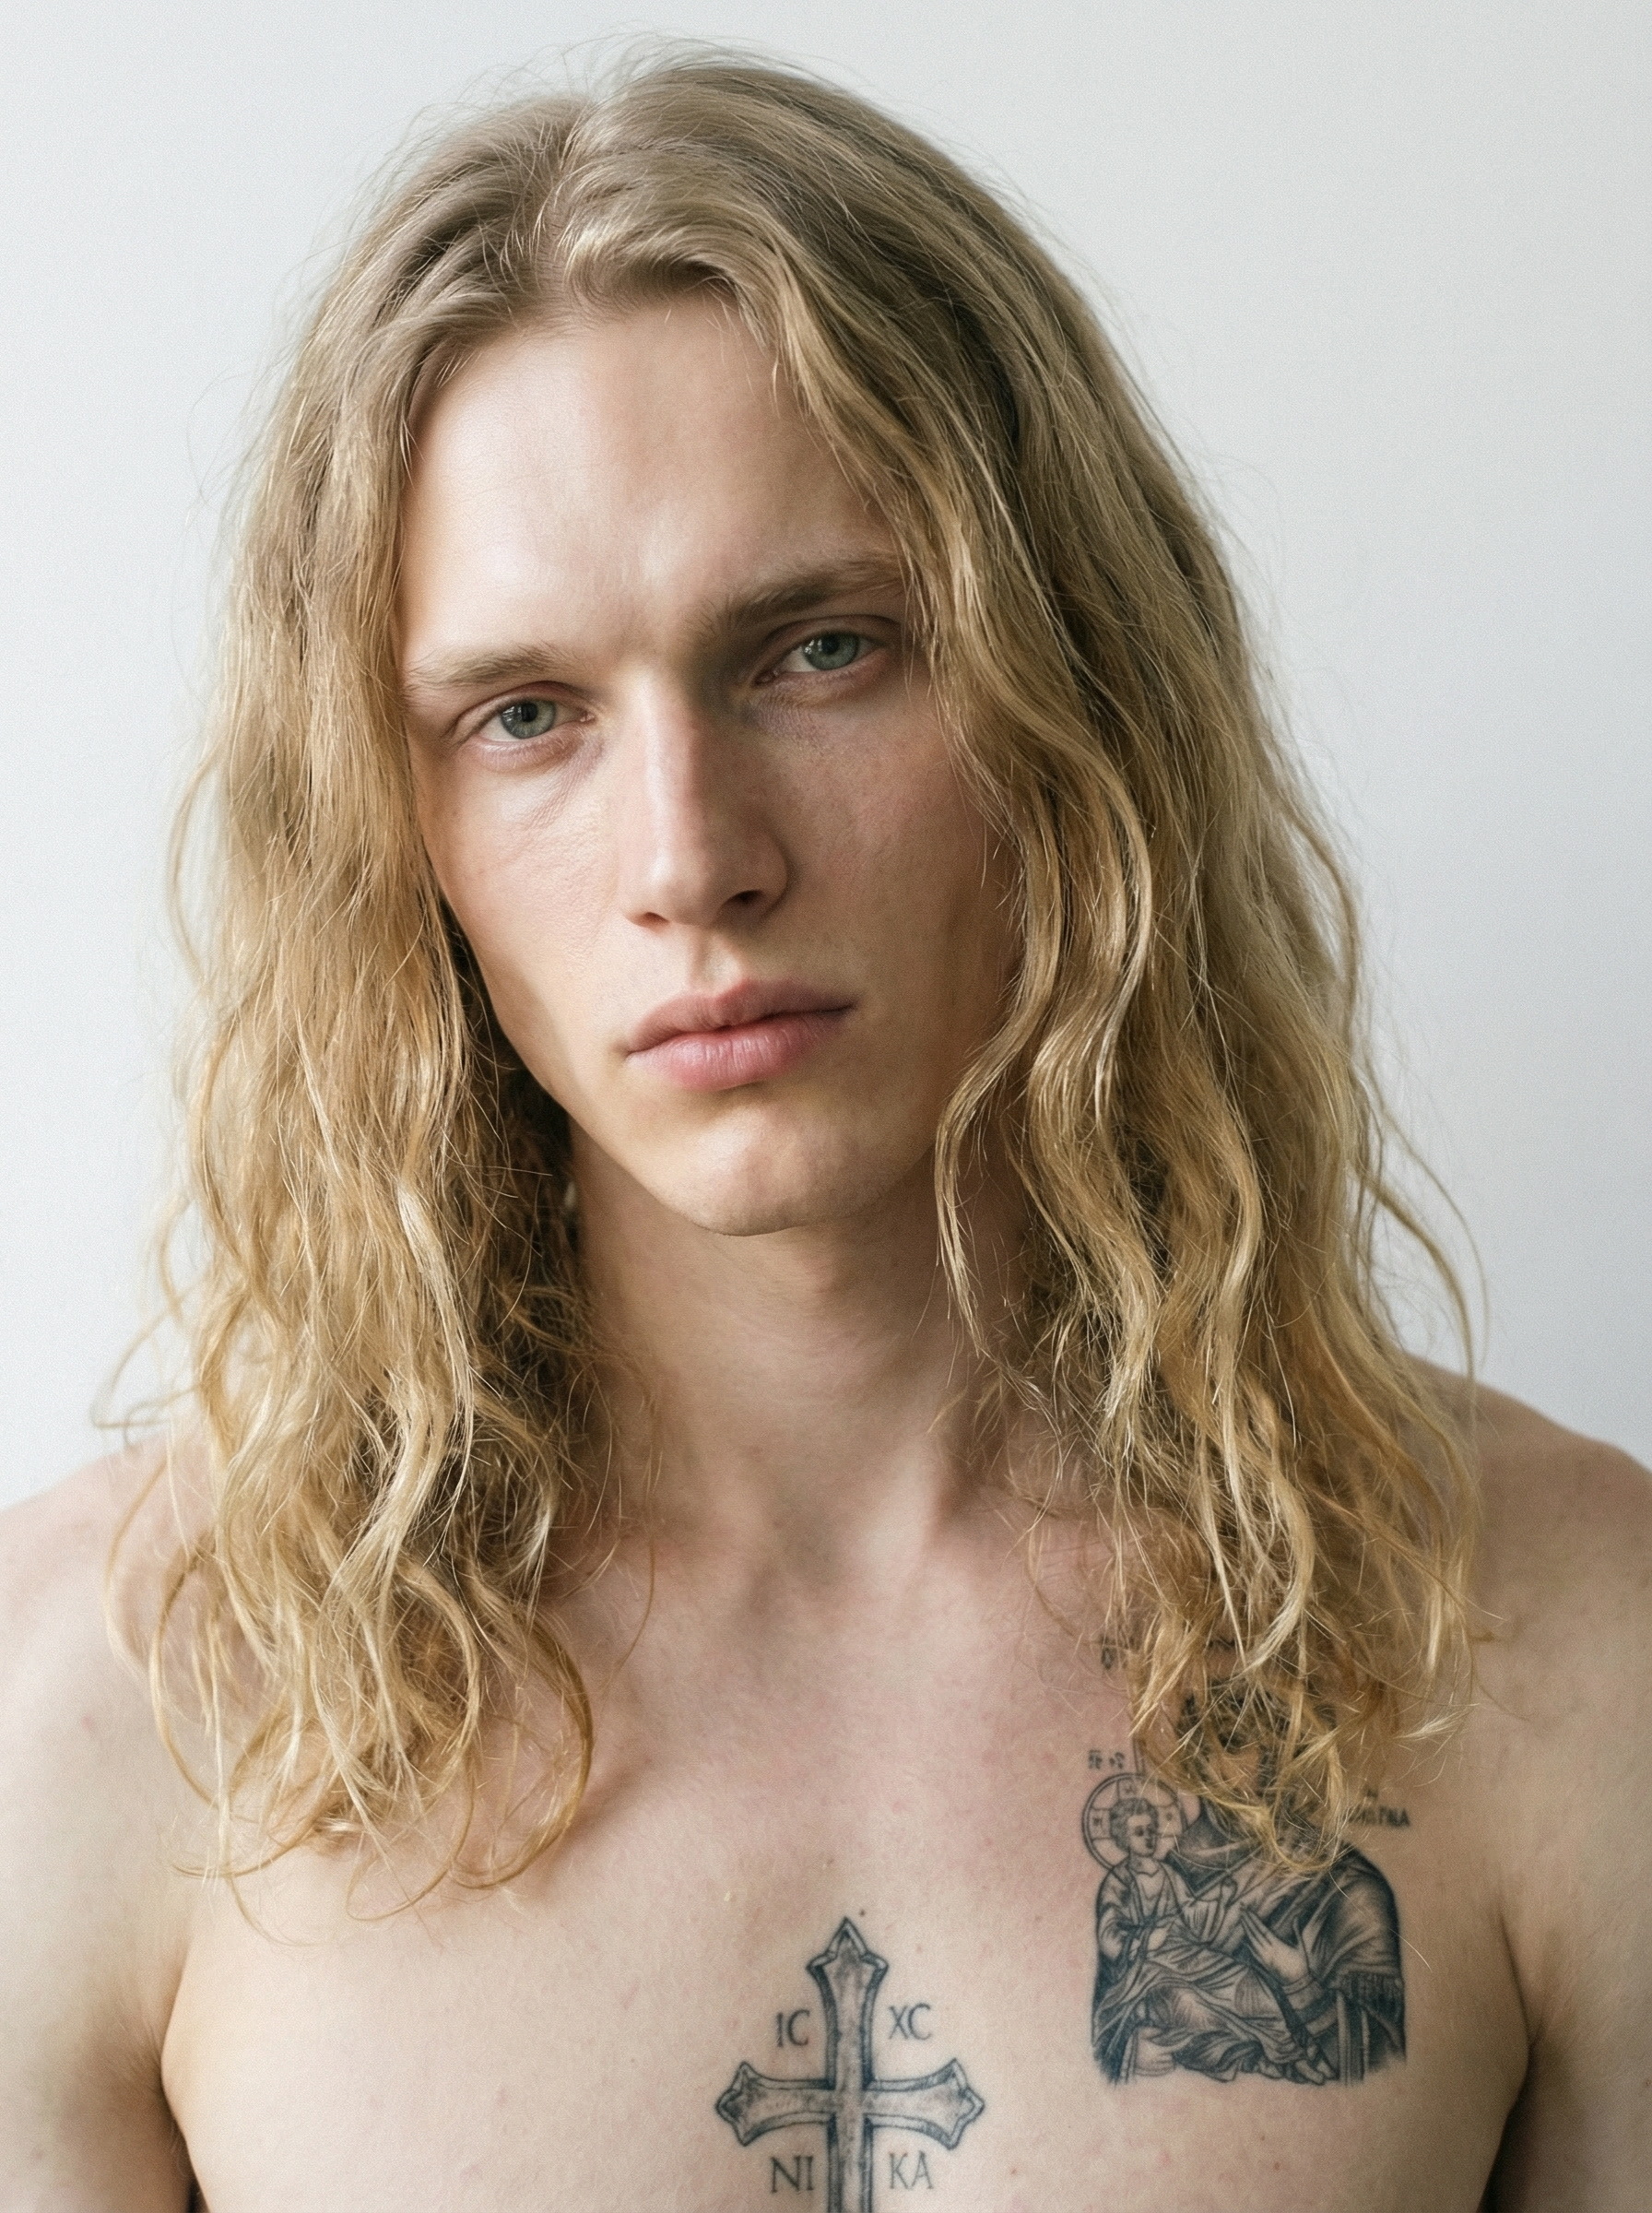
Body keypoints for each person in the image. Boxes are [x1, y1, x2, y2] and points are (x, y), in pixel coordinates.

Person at [0, 51, 1646, 2213]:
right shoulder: (97, 1720)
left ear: (1083, 702)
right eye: (524, 717)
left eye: (822, 651)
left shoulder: (1563, 1656)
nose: (690, 858)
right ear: (391, 831)